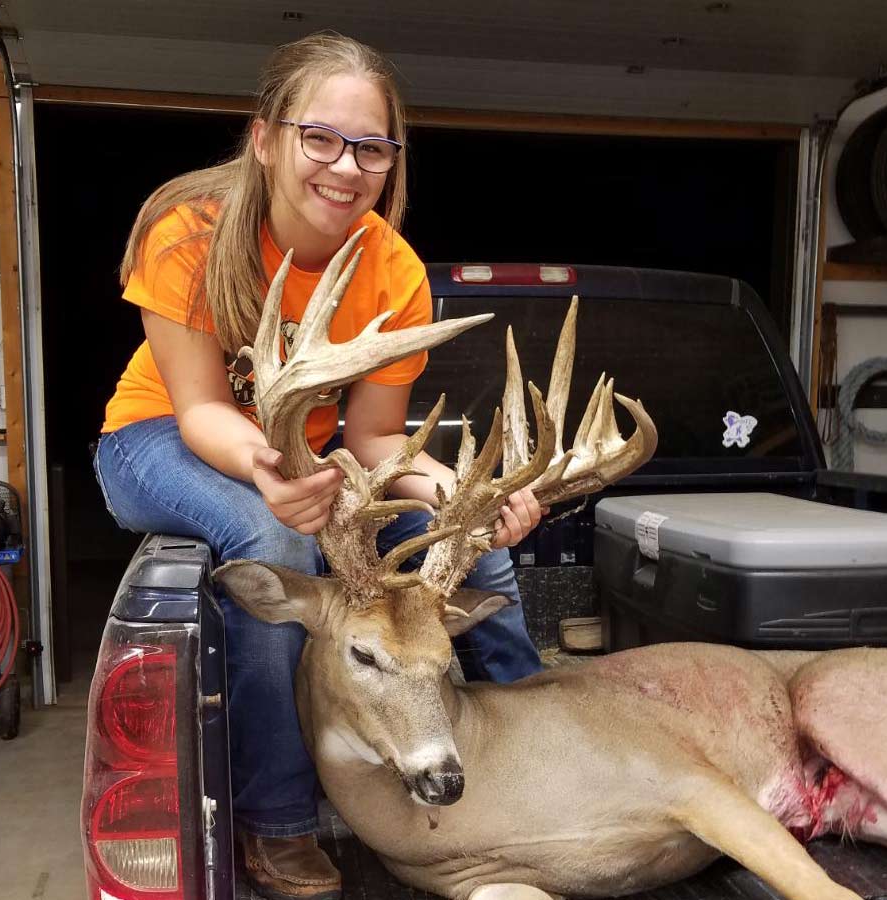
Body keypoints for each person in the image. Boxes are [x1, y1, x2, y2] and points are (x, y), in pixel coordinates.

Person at [93, 32, 545, 900]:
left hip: (308, 458)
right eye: (321, 138)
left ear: (392, 159)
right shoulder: (188, 231)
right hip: (156, 442)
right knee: (274, 539)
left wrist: (465, 498)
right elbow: (198, 410)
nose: (347, 166)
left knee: (471, 545)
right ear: (265, 138)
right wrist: (271, 473)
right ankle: (280, 822)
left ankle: (528, 736)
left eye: (372, 147)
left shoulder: (392, 270)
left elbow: (375, 443)